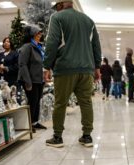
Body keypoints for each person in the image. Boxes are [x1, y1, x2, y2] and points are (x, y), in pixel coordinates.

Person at [43, 0, 102, 148]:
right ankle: (87, 136)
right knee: (86, 102)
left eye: (56, 7)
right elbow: (96, 45)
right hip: (86, 69)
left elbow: (52, 42)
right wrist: (97, 67)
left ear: (60, 5)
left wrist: (46, 66)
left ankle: (57, 137)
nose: (56, 10)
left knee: (60, 103)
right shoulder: (89, 21)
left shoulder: (57, 18)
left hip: (65, 68)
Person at [18, 26, 47, 133]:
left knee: (37, 101)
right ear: (32, 35)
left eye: (40, 34)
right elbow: (22, 64)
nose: (40, 36)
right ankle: (28, 124)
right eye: (37, 34)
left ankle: (35, 122)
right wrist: (27, 81)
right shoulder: (27, 47)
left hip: (39, 79)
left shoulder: (39, 47)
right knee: (32, 101)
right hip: (30, 79)